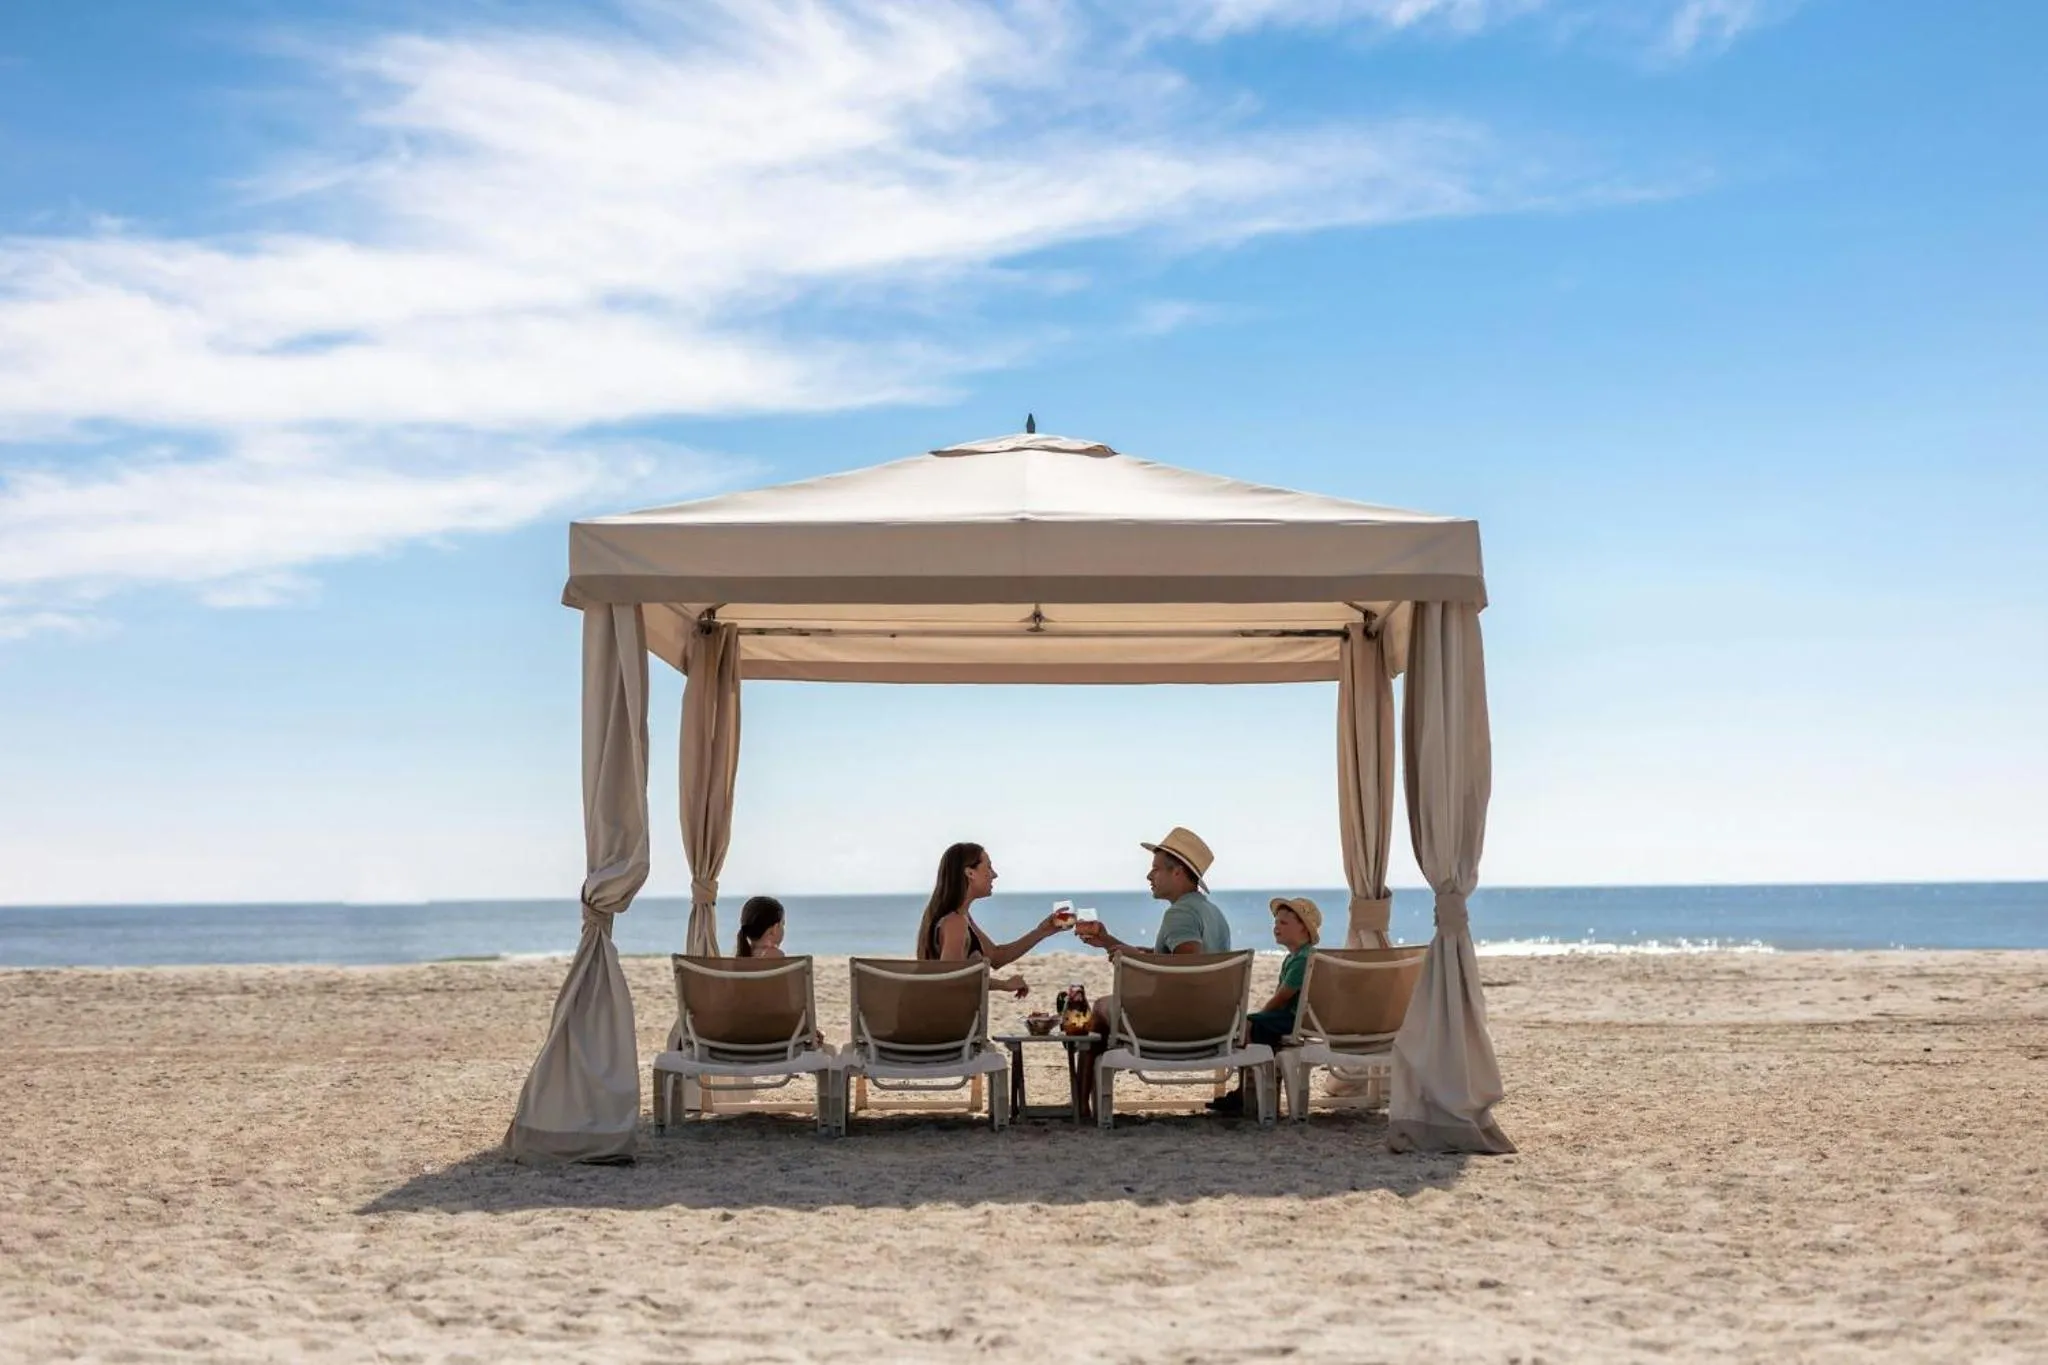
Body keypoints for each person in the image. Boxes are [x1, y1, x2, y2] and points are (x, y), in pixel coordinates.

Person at [1071, 827, 1231, 1117]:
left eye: (1155, 869)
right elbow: (1169, 959)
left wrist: (1131, 959)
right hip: (1213, 1024)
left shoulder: (1180, 913)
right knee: (1105, 1009)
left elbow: (1187, 967)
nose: (1148, 876)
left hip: (1175, 1025)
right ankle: (1085, 1105)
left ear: (1177, 872)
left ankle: (1082, 1108)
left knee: (1100, 1008)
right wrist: (1108, 941)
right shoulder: (1212, 913)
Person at [1208, 895, 1320, 1115]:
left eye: (1284, 923)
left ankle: (1247, 1090)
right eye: (1276, 922)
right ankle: (1251, 1090)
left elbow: (1282, 997)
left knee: (1248, 1024)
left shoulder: (1301, 959)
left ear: (1304, 929)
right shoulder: (1297, 957)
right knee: (1259, 1029)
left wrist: (1258, 1016)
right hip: (1297, 1018)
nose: (1276, 927)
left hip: (1294, 1019)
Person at [913, 842, 1070, 997]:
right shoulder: (955, 922)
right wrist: (1003, 985)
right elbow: (951, 979)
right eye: (988, 867)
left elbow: (996, 957)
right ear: (970, 873)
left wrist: (1042, 931)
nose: (994, 875)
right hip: (954, 1014)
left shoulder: (960, 917)